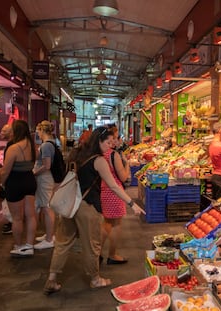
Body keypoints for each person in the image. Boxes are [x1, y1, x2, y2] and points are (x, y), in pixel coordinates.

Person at [43, 126, 145, 295]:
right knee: (92, 245)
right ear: (99, 141)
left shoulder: (76, 153)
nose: (110, 146)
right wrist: (131, 203)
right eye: (108, 142)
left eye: (112, 142)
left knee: (62, 243)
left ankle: (51, 279)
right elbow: (113, 185)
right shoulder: (98, 160)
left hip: (70, 204)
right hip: (86, 205)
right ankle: (95, 279)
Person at [0, 120, 37, 257]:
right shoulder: (33, 146)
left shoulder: (14, 148)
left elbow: (5, 171)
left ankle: (18, 245)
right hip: (30, 180)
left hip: (15, 182)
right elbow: (33, 164)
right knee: (31, 215)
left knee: (17, 218)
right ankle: (29, 245)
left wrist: (2, 183)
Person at [100, 125, 131, 265]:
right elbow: (123, 177)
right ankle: (112, 255)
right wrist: (127, 163)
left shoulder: (101, 154)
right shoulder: (114, 155)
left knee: (106, 223)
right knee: (116, 224)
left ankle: (97, 253)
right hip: (114, 192)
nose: (117, 141)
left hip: (103, 191)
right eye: (116, 138)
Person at [32, 120, 57, 250]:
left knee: (47, 208)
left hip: (45, 179)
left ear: (42, 131)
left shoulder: (46, 145)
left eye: (38, 131)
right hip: (46, 179)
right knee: (46, 206)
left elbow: (47, 166)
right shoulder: (51, 143)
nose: (38, 134)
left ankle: (49, 239)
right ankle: (49, 234)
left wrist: (35, 172)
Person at [0, 124, 14, 235]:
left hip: (11, 177)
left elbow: (8, 163)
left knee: (9, 200)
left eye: (4, 131)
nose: (1, 132)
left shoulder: (11, 145)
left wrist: (3, 177)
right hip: (14, 176)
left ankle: (11, 223)